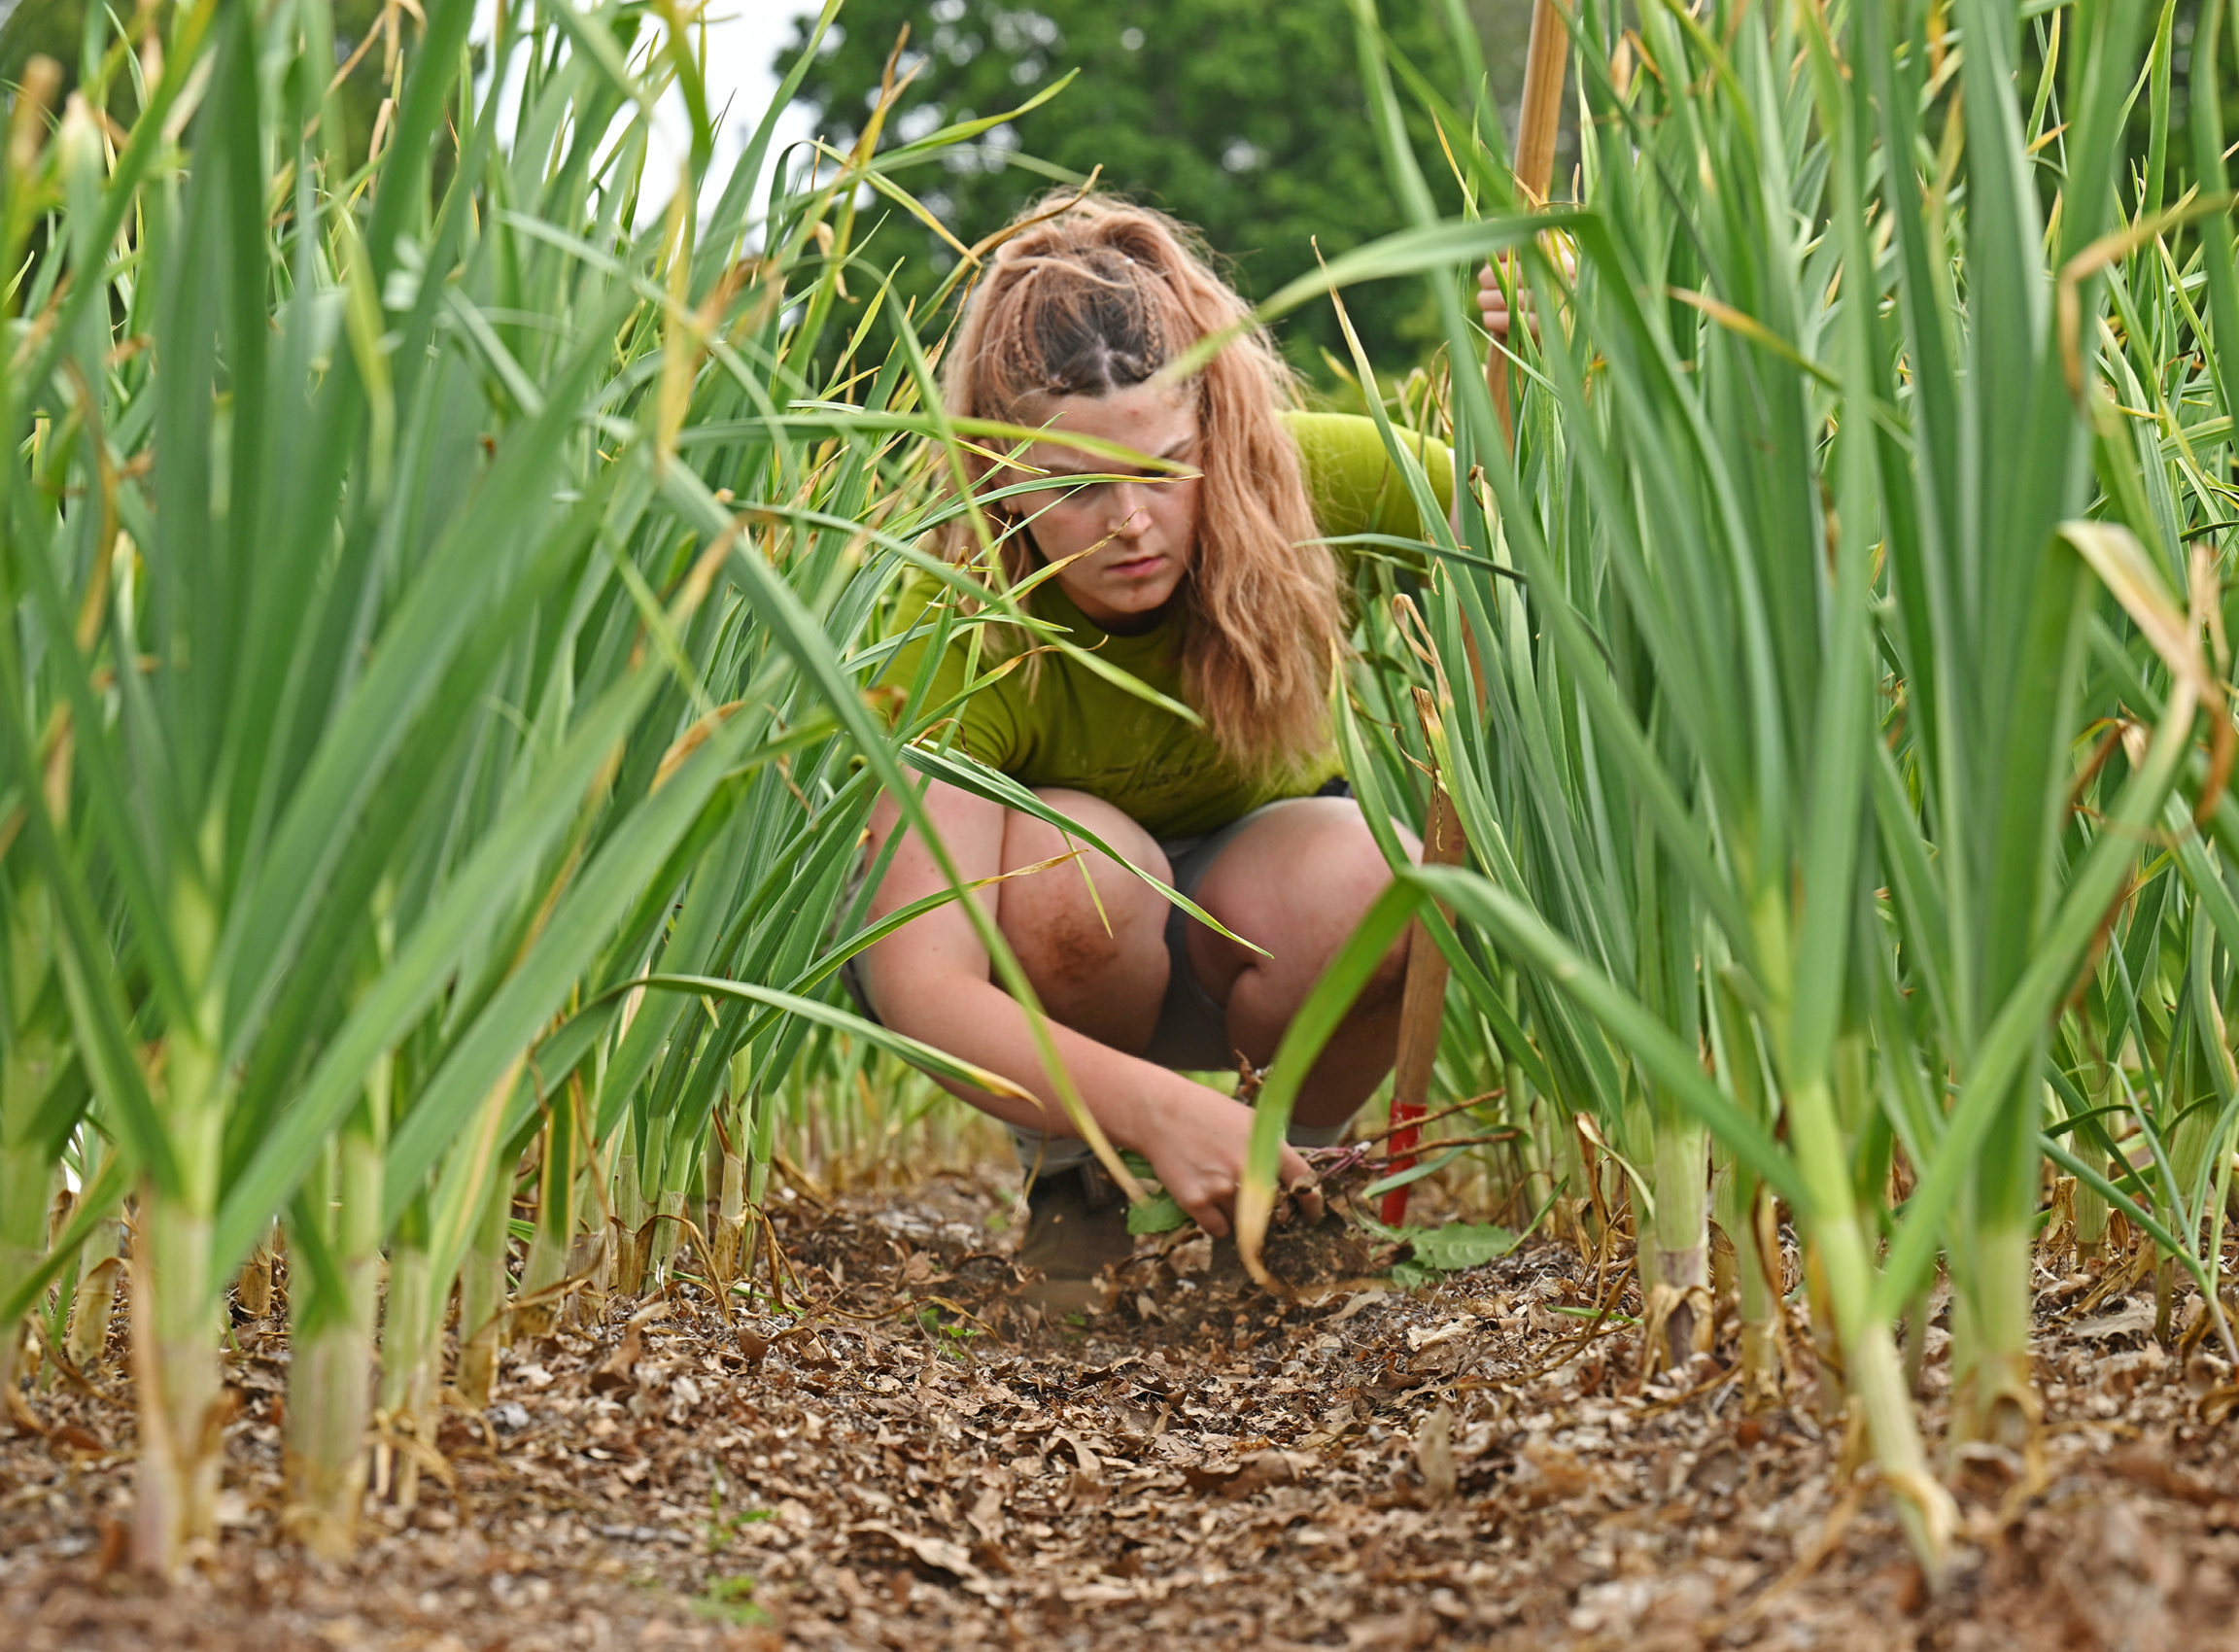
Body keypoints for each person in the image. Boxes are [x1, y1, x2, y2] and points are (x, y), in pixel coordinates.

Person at [856, 195, 1508, 1305]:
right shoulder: (957, 614)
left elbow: (1532, 524)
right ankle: (1081, 1180)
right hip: (1059, 962)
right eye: (1072, 486)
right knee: (1083, 871)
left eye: (1164, 467)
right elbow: (917, 980)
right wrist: (1157, 1107)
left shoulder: (1304, 480)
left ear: (1216, 427)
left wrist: (1544, 381)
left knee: (1388, 882)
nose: (1130, 522)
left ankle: (1293, 1186)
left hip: (1258, 926)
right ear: (999, 475)